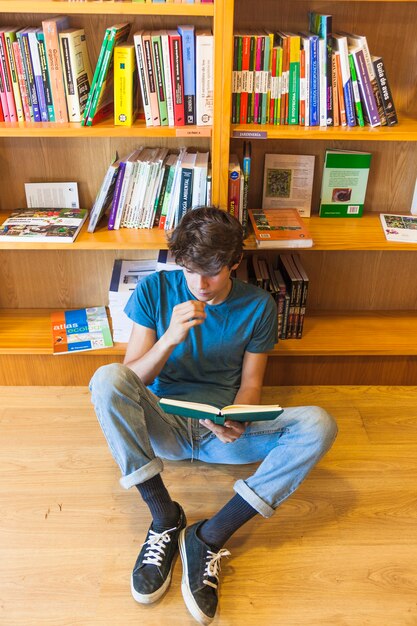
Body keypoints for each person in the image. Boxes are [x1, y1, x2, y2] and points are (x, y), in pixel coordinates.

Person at [89, 206, 337, 625]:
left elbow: (251, 383)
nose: (200, 285)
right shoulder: (155, 290)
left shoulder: (258, 305)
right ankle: (164, 516)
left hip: (223, 434)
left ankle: (208, 537)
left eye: (213, 272)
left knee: (319, 423)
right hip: (164, 424)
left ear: (234, 264)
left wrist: (238, 418)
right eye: (189, 271)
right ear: (178, 263)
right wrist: (169, 338)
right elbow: (129, 378)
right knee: (105, 378)